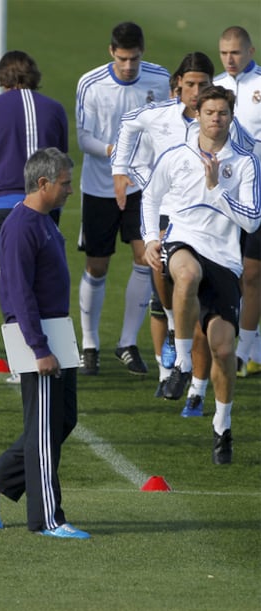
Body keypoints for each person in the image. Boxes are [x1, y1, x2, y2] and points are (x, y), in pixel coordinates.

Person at [0, 147, 90, 539]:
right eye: (65, 183)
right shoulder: (21, 226)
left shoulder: (43, 220)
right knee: (42, 428)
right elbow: (18, 292)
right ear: (43, 183)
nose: (70, 190)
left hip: (57, 332)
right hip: (40, 337)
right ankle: (47, 519)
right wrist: (38, 348)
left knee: (62, 419)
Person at [142, 85, 260, 464]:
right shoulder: (176, 156)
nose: (215, 118)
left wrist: (217, 190)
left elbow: (253, 220)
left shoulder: (244, 163)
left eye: (222, 113)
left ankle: (222, 427)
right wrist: (149, 239)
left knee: (223, 349)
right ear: (198, 114)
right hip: (183, 241)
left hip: (225, 258)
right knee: (187, 276)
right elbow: (150, 196)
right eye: (209, 112)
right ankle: (179, 364)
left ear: (231, 116)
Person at [112, 51, 215, 415]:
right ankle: (173, 331)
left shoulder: (219, 123)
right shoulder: (159, 116)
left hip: (208, 219)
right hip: (165, 212)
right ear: (177, 87)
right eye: (190, 84)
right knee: (157, 268)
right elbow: (127, 123)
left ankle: (198, 392)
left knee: (206, 309)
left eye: (203, 84)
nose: (197, 91)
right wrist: (120, 170)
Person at [75, 22, 170, 376]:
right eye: (123, 58)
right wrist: (116, 152)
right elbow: (83, 137)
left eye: (135, 58)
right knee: (97, 265)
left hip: (143, 186)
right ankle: (90, 344)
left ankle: (127, 343)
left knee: (145, 258)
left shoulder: (159, 80)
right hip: (99, 186)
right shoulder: (90, 83)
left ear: (142, 52)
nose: (129, 65)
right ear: (111, 51)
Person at [0, 50, 68, 282]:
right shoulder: (55, 109)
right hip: (46, 206)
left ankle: (16, 320)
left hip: (3, 205)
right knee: (43, 281)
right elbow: (62, 160)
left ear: (2, 80)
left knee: (8, 281)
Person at [214, 26, 261, 377]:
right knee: (230, 269)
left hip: (258, 192)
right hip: (225, 194)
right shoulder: (216, 89)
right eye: (225, 52)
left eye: (236, 52)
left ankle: (246, 351)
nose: (230, 59)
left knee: (254, 272)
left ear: (251, 51)